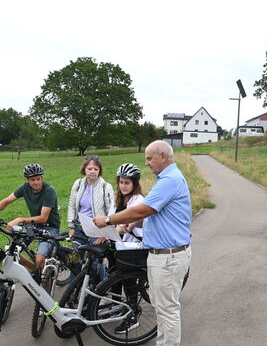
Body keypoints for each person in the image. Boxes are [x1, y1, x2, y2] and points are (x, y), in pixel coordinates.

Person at [94, 140, 192, 346]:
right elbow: (154, 211)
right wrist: (134, 223)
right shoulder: (166, 178)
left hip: (168, 256)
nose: (147, 163)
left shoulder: (169, 180)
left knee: (168, 309)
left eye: (149, 158)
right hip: (162, 254)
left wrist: (109, 220)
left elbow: (144, 209)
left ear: (162, 156)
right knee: (162, 307)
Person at [0, 163, 60, 273]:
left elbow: (43, 218)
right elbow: (7, 201)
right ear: (27, 180)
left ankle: (45, 283)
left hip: (50, 227)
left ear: (42, 177)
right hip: (33, 226)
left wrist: (19, 220)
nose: (36, 182)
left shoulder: (49, 191)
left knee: (40, 259)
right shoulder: (25, 188)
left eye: (38, 179)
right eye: (33, 180)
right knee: (12, 251)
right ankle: (35, 269)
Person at [111, 163, 145, 334]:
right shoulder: (117, 199)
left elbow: (128, 224)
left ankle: (132, 316)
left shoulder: (138, 200)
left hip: (135, 244)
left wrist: (119, 227)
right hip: (120, 243)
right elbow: (113, 218)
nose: (123, 186)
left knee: (127, 279)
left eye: (127, 183)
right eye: (121, 182)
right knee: (112, 272)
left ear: (134, 184)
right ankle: (117, 304)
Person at [67, 154, 114, 276]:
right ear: (84, 170)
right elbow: (72, 205)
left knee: (96, 262)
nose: (92, 171)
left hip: (97, 229)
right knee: (75, 259)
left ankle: (98, 289)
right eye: (89, 169)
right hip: (79, 227)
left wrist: (107, 233)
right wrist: (71, 226)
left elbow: (111, 211)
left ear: (99, 171)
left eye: (96, 169)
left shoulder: (105, 187)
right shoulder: (78, 184)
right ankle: (73, 290)